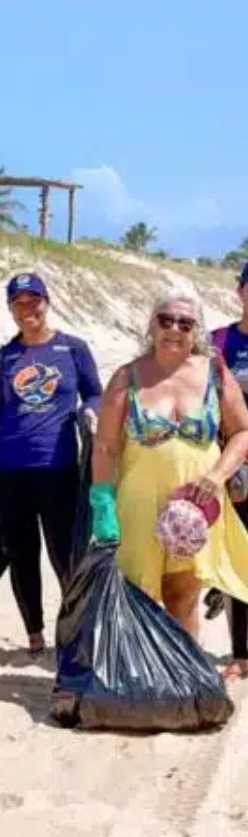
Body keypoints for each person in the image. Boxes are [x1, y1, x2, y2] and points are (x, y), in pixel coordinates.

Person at [90, 287, 248, 641]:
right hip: (137, 504)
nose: (175, 329)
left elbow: (242, 433)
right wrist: (101, 504)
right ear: (151, 326)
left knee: (182, 597)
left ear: (197, 332)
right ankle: (135, 680)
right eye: (166, 320)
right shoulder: (126, 377)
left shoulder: (215, 373)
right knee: (134, 595)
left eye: (185, 323)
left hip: (197, 507)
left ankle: (185, 681)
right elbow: (105, 448)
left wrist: (217, 476)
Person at [0, 273, 102, 652]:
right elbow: (3, 409)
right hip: (7, 469)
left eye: (34, 300)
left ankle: (74, 632)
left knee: (65, 554)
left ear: (47, 303)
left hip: (58, 467)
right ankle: (34, 635)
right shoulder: (4, 356)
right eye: (19, 302)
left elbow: (95, 393)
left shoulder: (73, 349)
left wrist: (90, 412)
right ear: (10, 309)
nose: (28, 308)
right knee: (21, 555)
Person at [208, 260, 248, 679]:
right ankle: (241, 652)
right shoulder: (218, 342)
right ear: (240, 290)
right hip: (236, 468)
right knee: (241, 559)